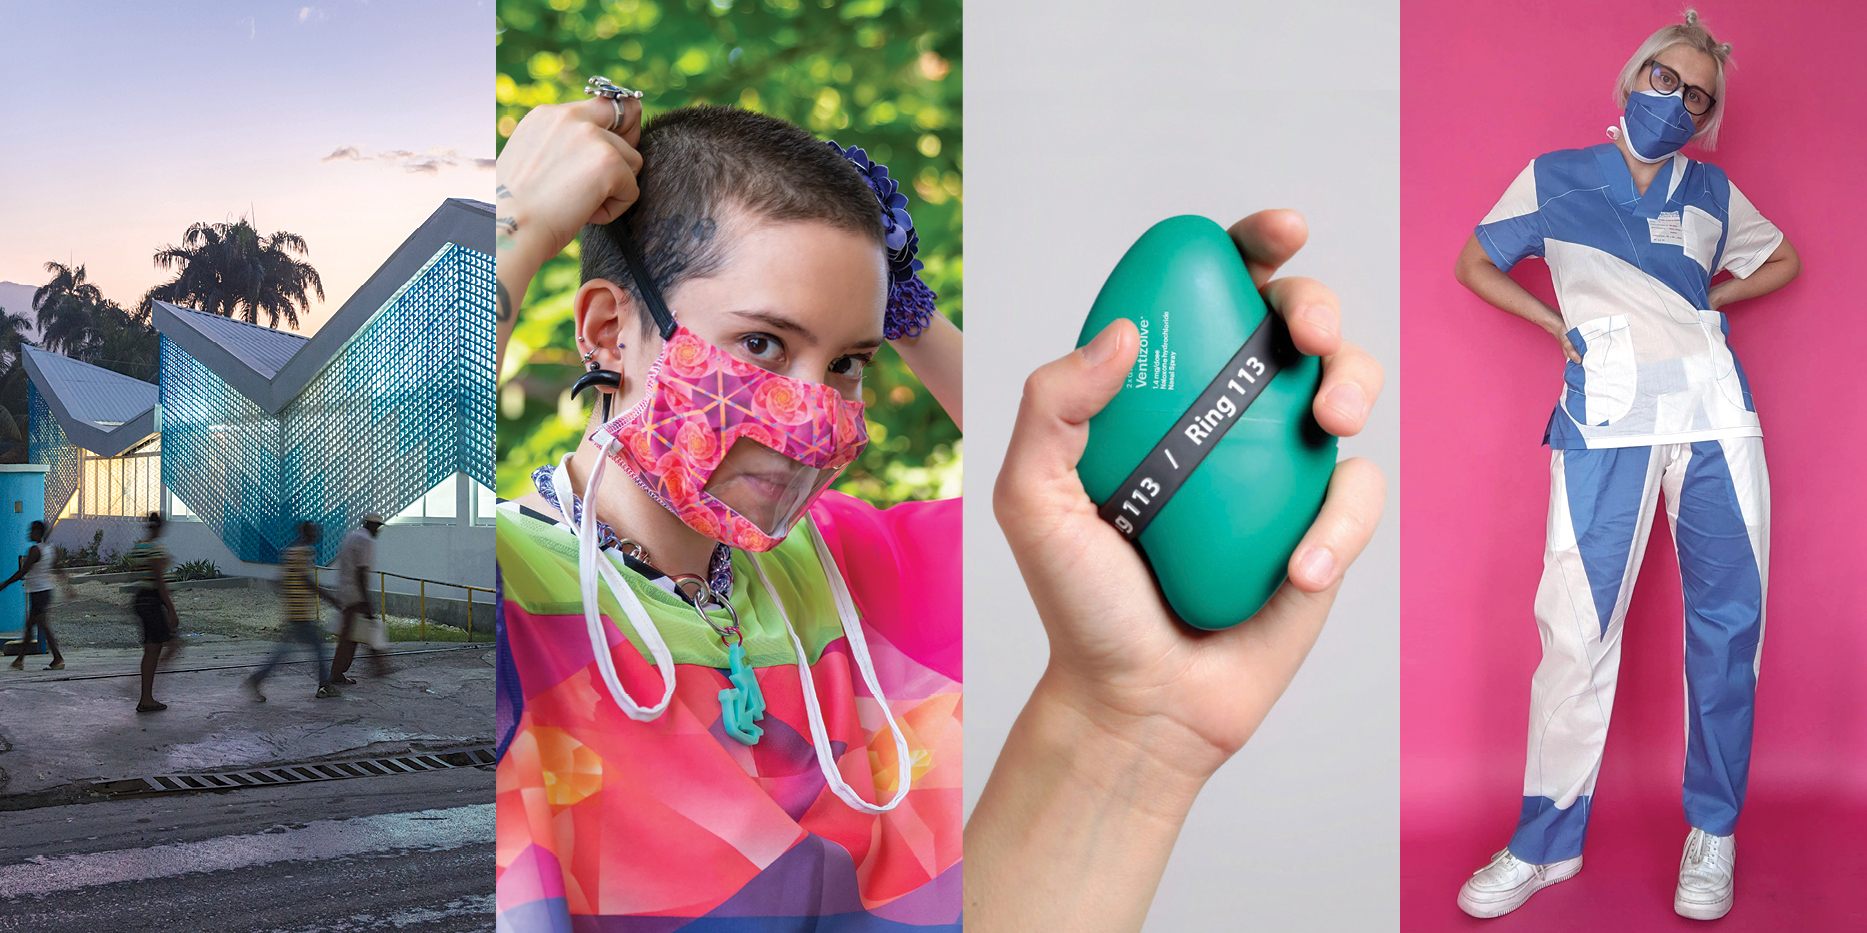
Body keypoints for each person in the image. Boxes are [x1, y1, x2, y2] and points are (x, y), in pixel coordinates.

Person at [494, 89, 962, 929]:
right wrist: (515, 223)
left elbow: (1079, 489)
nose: (815, 414)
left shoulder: (850, 560)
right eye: (762, 344)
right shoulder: (506, 590)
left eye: (849, 361)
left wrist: (915, 317)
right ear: (607, 332)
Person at [1448, 11, 1797, 921]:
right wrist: (1552, 327)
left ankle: (1711, 833)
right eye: (1663, 80)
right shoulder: (1554, 179)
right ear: (1631, 77)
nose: (1675, 102)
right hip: (1604, 419)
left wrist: (1710, 301)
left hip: (1715, 417)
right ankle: (1545, 840)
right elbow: (1474, 263)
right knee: (1574, 628)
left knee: (1728, 628)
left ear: (1704, 115)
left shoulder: (1712, 194)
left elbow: (1782, 259)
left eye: (1696, 97)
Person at [245, 521, 343, 702]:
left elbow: (281, 581)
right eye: (314, 531)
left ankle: (257, 679)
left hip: (293, 612)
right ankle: (324, 686)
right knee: (320, 648)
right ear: (307, 533)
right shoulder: (303, 552)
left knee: (283, 653)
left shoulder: (291, 551)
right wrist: (330, 598)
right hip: (301, 615)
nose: (317, 534)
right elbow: (306, 581)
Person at [128, 512, 182, 712]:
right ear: (160, 527)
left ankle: (145, 695)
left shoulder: (140, 547)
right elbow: (160, 583)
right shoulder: (156, 550)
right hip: (152, 601)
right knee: (164, 648)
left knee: (151, 649)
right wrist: (171, 609)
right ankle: (145, 694)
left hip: (142, 599)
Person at [329, 512, 389, 684]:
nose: (378, 531)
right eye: (378, 527)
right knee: (357, 634)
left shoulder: (352, 536)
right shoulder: (366, 541)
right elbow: (361, 573)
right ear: (372, 526)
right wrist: (367, 601)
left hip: (346, 592)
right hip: (356, 595)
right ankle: (378, 667)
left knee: (352, 635)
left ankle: (341, 672)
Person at [0, 521, 65, 671]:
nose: (29, 533)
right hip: (44, 591)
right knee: (30, 626)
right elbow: (58, 568)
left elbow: (23, 571)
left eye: (31, 531)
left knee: (41, 625)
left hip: (38, 593)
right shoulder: (50, 548)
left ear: (37, 532)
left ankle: (57, 658)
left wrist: (4, 584)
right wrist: (66, 587)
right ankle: (19, 660)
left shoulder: (35, 550)